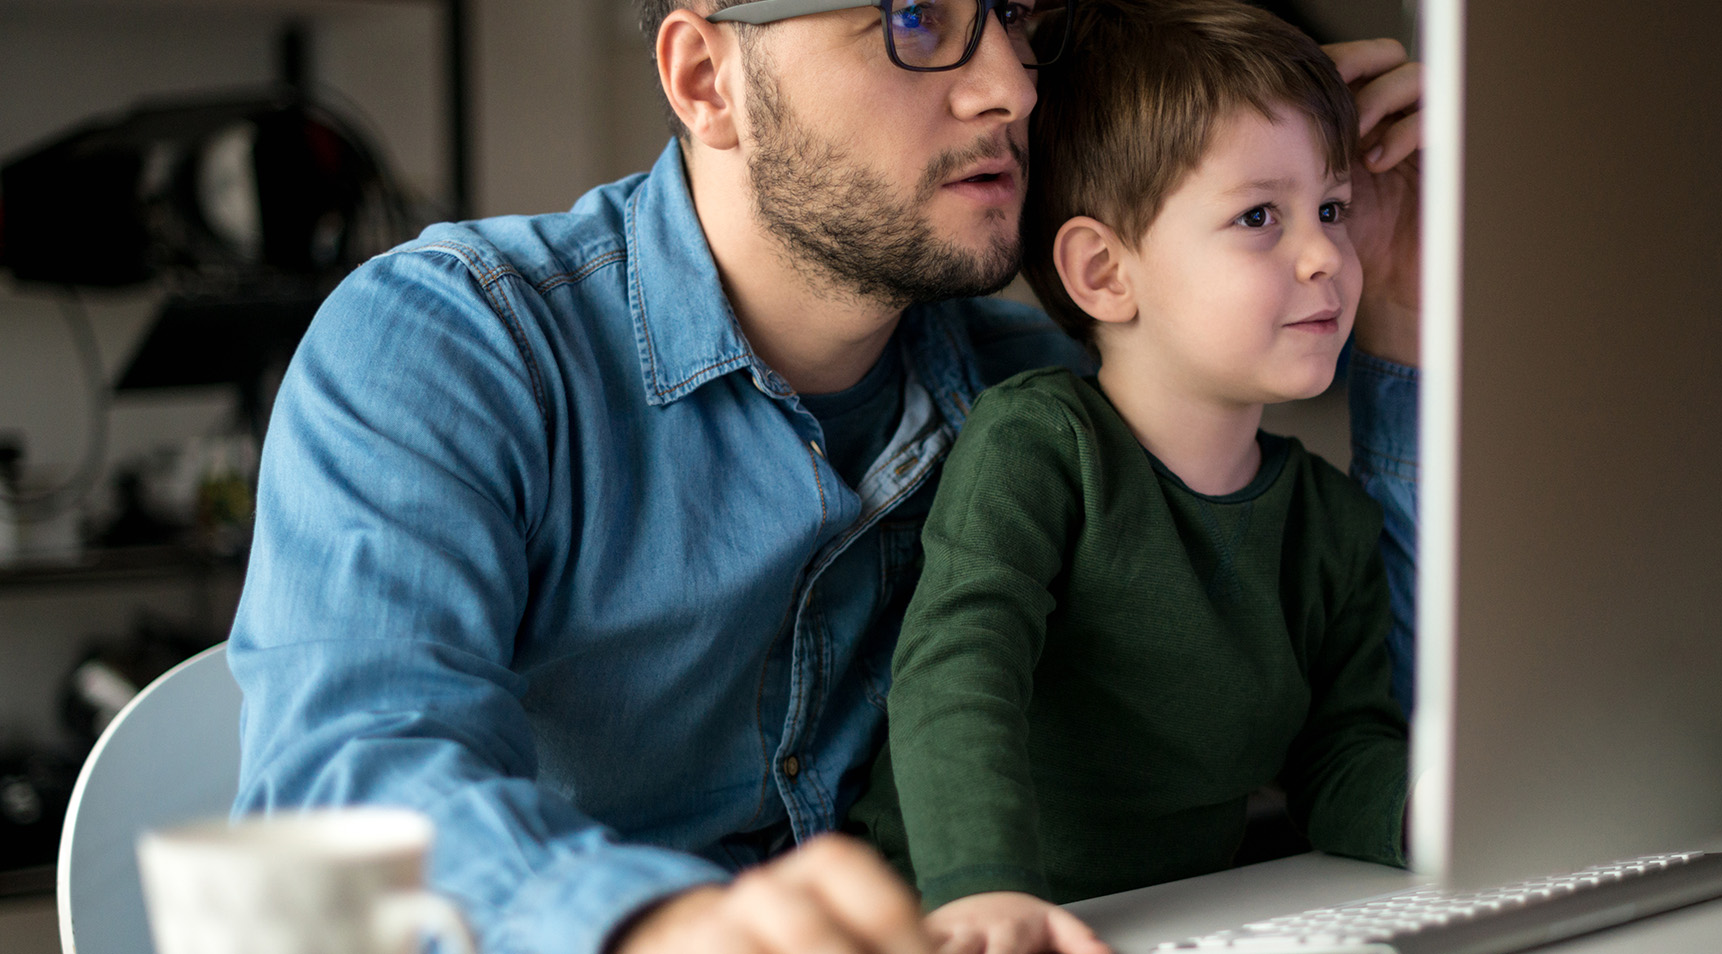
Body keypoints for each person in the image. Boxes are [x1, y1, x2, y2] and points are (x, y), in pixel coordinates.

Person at [223, 0, 1424, 950]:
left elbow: (1386, 724)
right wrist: (657, 925)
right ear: (708, 80)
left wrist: (1404, 319)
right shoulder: (460, 346)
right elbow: (336, 814)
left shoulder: (1054, 396)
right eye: (912, 15)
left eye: (1013, 13)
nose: (1009, 84)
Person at [846, 2, 1411, 949]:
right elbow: (959, 667)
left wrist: (1436, 807)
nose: (1327, 257)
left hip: (1182, 928)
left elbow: (1340, 756)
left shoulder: (1329, 522)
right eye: (1260, 216)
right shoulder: (1038, 446)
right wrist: (983, 893)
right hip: (958, 925)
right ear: (1104, 271)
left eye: (1334, 209)